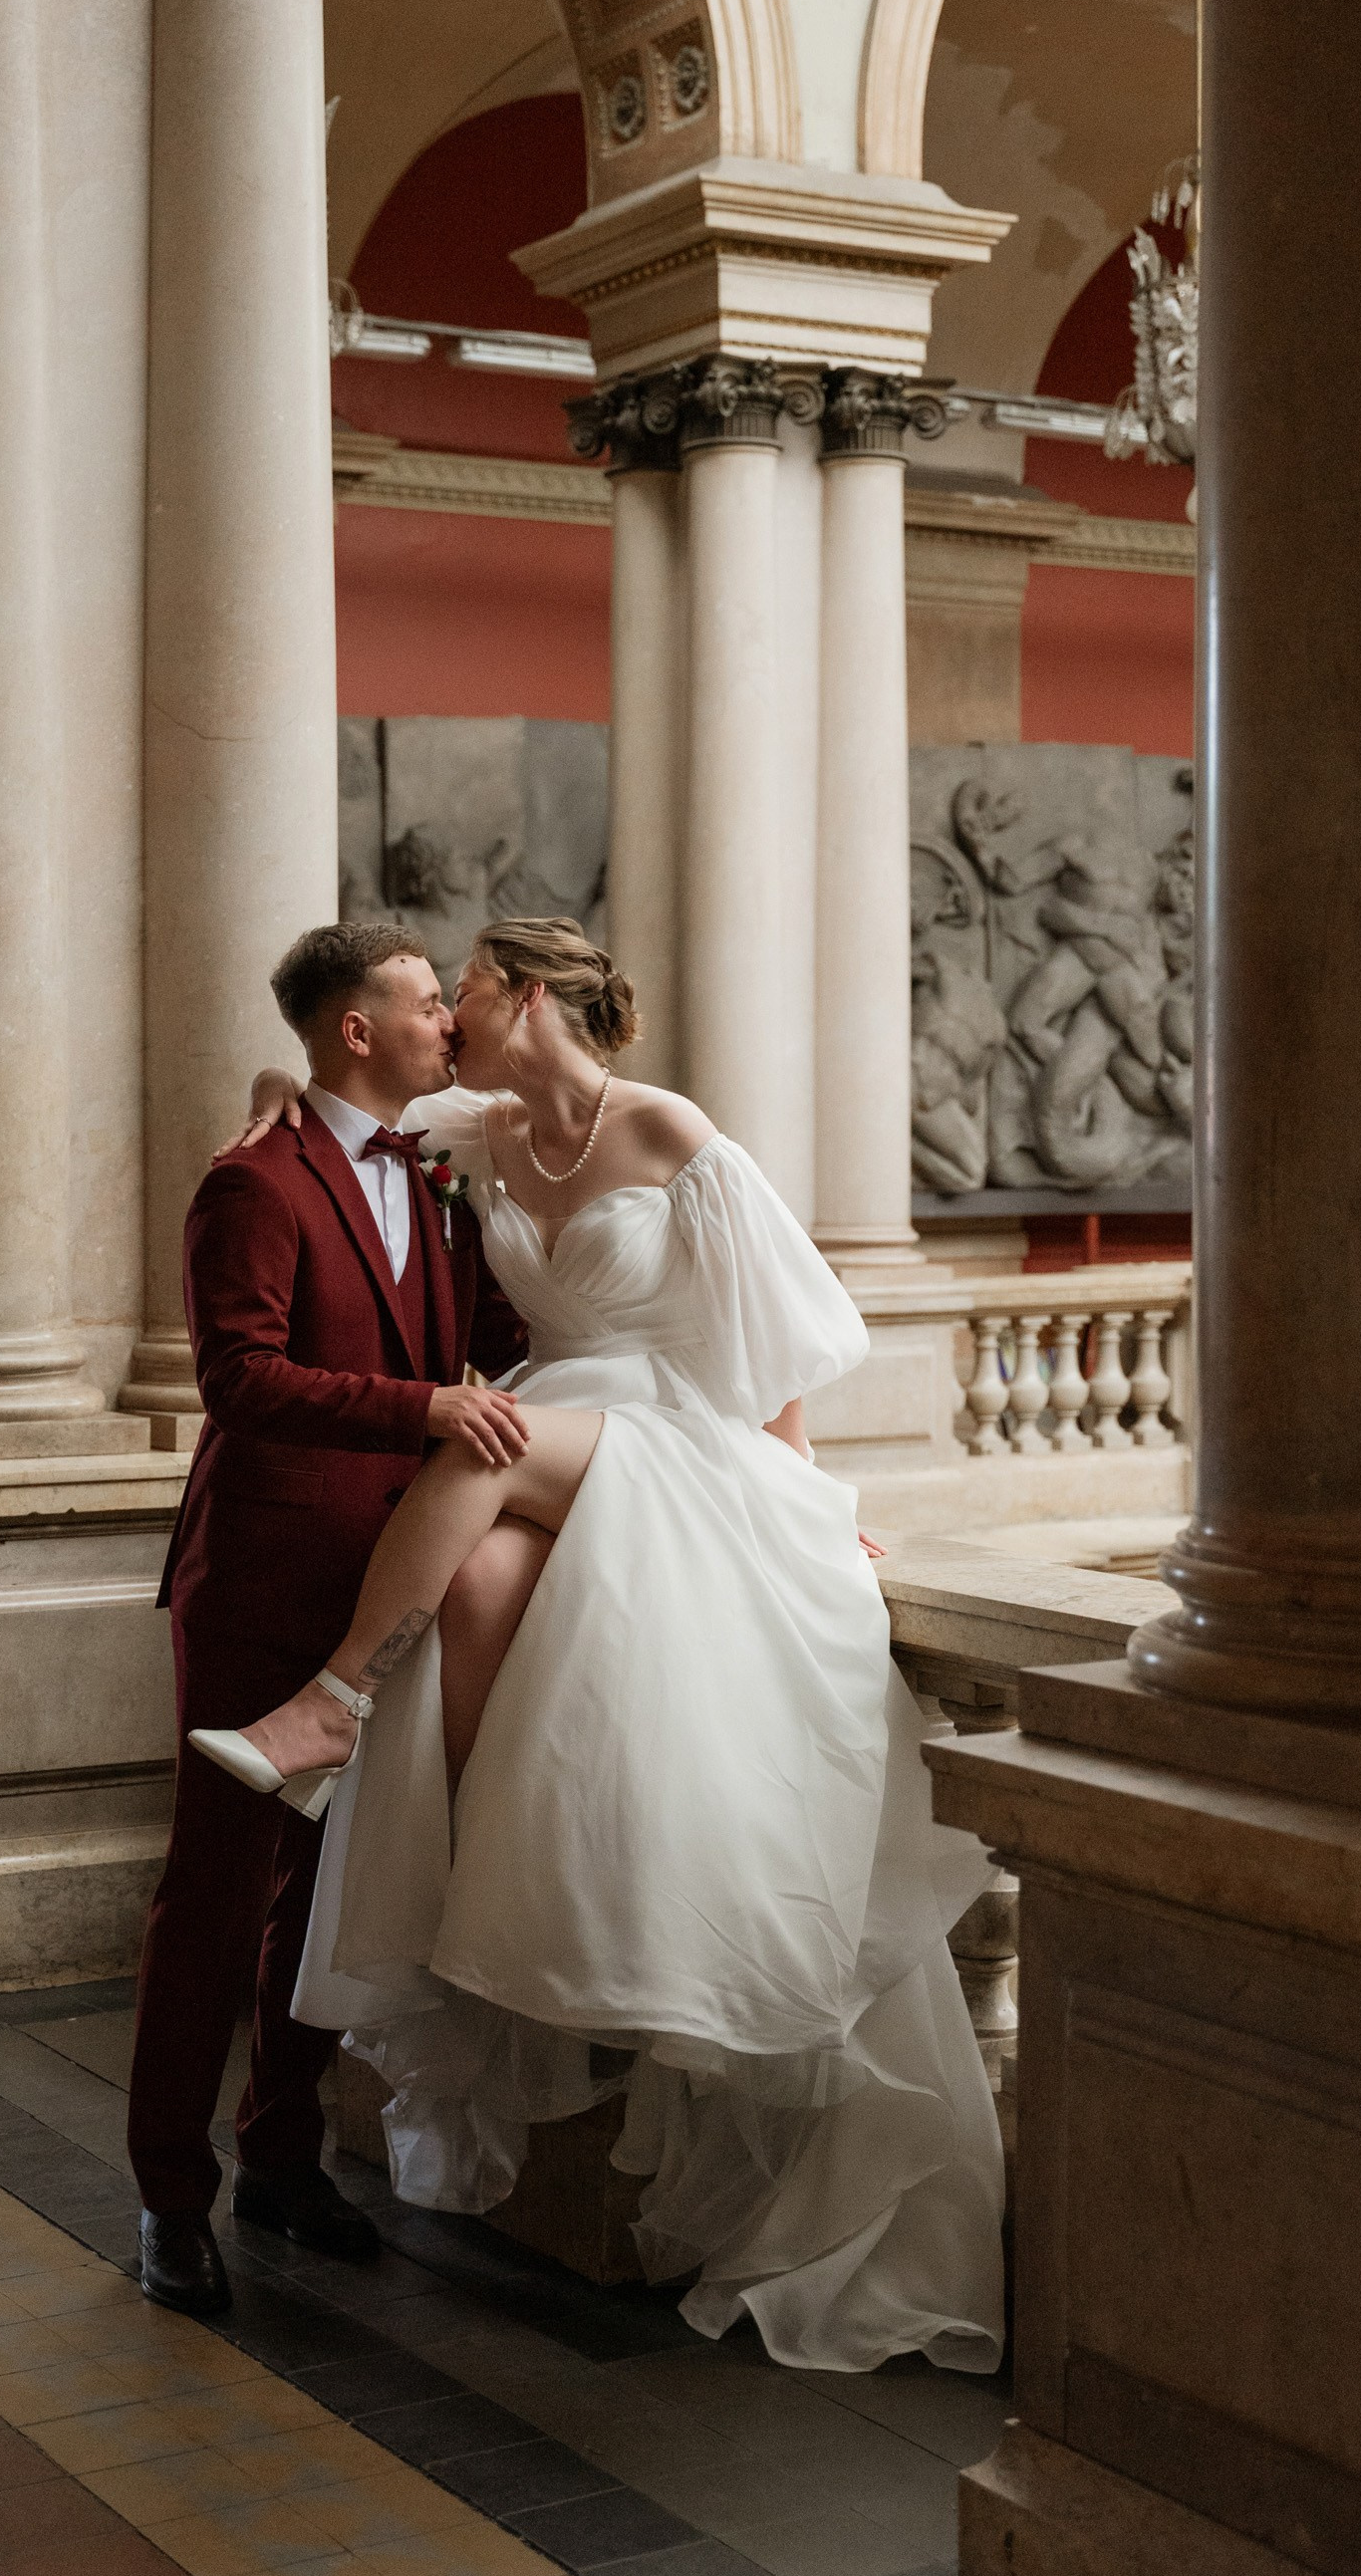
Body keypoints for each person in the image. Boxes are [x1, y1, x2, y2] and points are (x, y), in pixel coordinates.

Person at [205, 915, 1006, 2372]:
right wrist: (271, 1102)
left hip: (674, 1434)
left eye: (466, 993)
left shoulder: (673, 1132)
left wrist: (807, 1502)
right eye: (431, 1000)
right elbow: (329, 1104)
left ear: (525, 995)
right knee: (481, 1592)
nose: (447, 1016)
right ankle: (502, 1891)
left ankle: (324, 1709)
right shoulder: (477, 1124)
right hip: (572, 1425)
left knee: (479, 1454)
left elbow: (771, 1340)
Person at [125, 920, 525, 2315]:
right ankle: (170, 2199)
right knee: (216, 1896)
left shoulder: (436, 1176)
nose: (447, 1026)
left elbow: (499, 1329)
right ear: (354, 1028)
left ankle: (282, 2165)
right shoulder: (253, 1183)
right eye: (426, 1005)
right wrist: (423, 1408)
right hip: (259, 1584)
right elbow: (240, 1379)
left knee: (321, 1897)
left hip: (387, 1592)